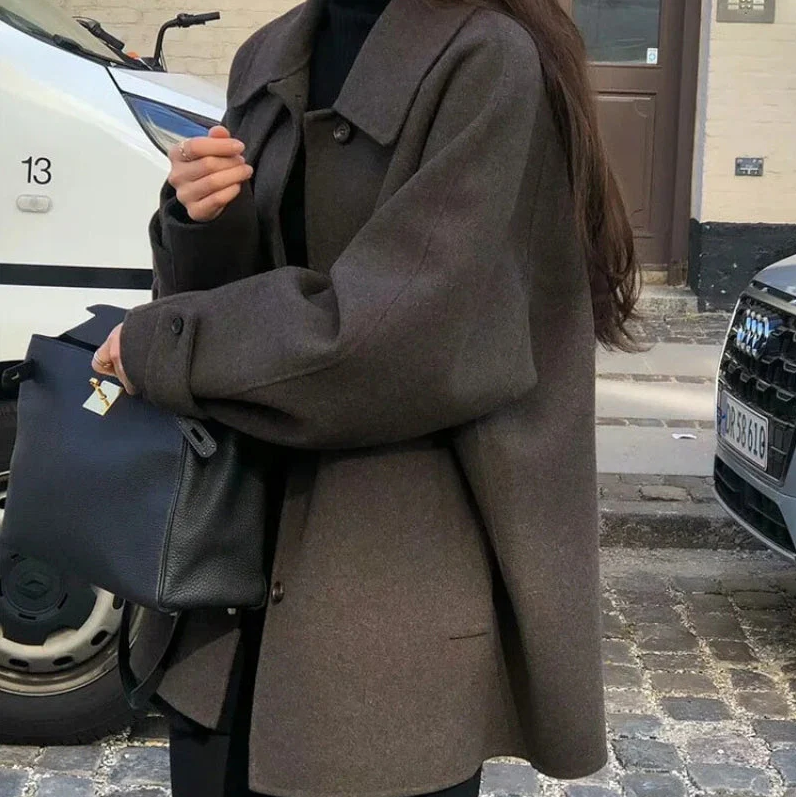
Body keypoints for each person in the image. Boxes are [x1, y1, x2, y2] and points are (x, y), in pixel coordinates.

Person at [93, 0, 641, 791]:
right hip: (222, 604)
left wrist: (168, 343)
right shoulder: (271, 53)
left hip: (383, 624)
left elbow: (396, 341)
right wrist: (202, 219)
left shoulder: (486, 61)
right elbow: (232, 295)